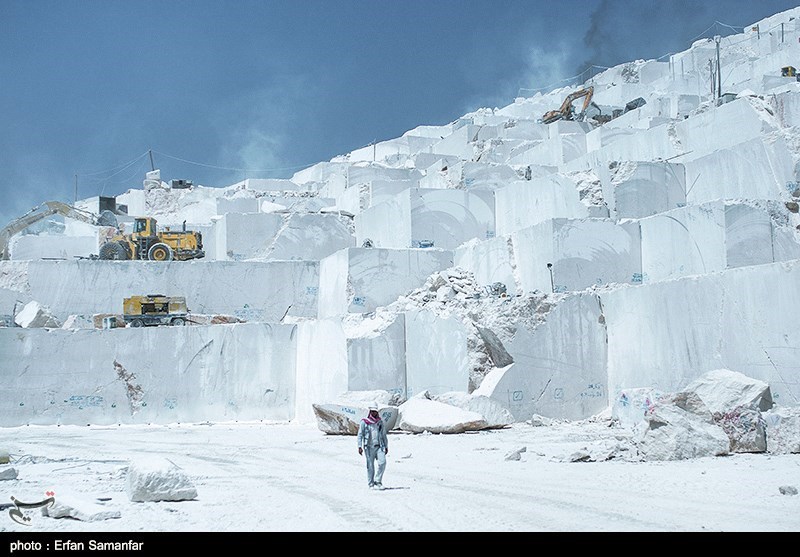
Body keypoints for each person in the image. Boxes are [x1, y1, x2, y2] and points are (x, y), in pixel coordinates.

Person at [357, 404, 389, 490]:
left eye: (375, 411)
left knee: (382, 463)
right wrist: (359, 446)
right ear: (370, 411)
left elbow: (383, 435)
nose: (374, 413)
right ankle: (371, 484)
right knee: (370, 466)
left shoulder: (380, 422)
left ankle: (377, 481)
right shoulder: (364, 422)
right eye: (372, 411)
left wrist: (386, 446)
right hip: (369, 447)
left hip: (379, 446)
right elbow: (360, 435)